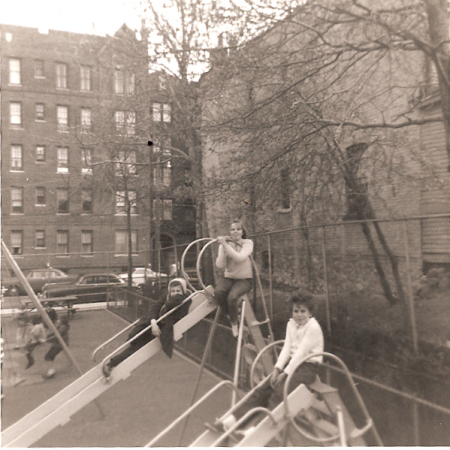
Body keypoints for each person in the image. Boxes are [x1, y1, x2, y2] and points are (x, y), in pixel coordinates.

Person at [206, 291, 324, 433]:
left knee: (280, 393)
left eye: (303, 311)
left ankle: (257, 430)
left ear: (310, 313)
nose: (299, 315)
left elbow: (301, 353)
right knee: (263, 389)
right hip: (292, 364)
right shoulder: (291, 324)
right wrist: (277, 369)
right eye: (296, 311)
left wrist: (285, 374)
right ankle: (232, 422)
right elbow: (287, 348)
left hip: (308, 367)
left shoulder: (313, 327)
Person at [102, 278, 192, 380]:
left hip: (161, 329)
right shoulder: (166, 297)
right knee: (134, 345)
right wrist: (153, 322)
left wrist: (156, 321)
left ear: (183, 291)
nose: (175, 294)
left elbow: (174, 305)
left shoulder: (185, 300)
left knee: (136, 347)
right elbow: (155, 308)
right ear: (169, 291)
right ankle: (111, 364)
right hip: (152, 325)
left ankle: (111, 364)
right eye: (173, 291)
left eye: (178, 291)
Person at [215, 219, 254, 337]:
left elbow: (240, 258)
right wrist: (223, 248)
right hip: (229, 278)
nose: (235, 232)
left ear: (242, 232)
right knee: (218, 292)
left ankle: (234, 325)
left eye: (238, 229)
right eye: (232, 229)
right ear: (229, 232)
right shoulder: (226, 244)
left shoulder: (247, 243)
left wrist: (226, 245)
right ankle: (230, 316)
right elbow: (220, 265)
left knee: (232, 297)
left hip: (244, 279)